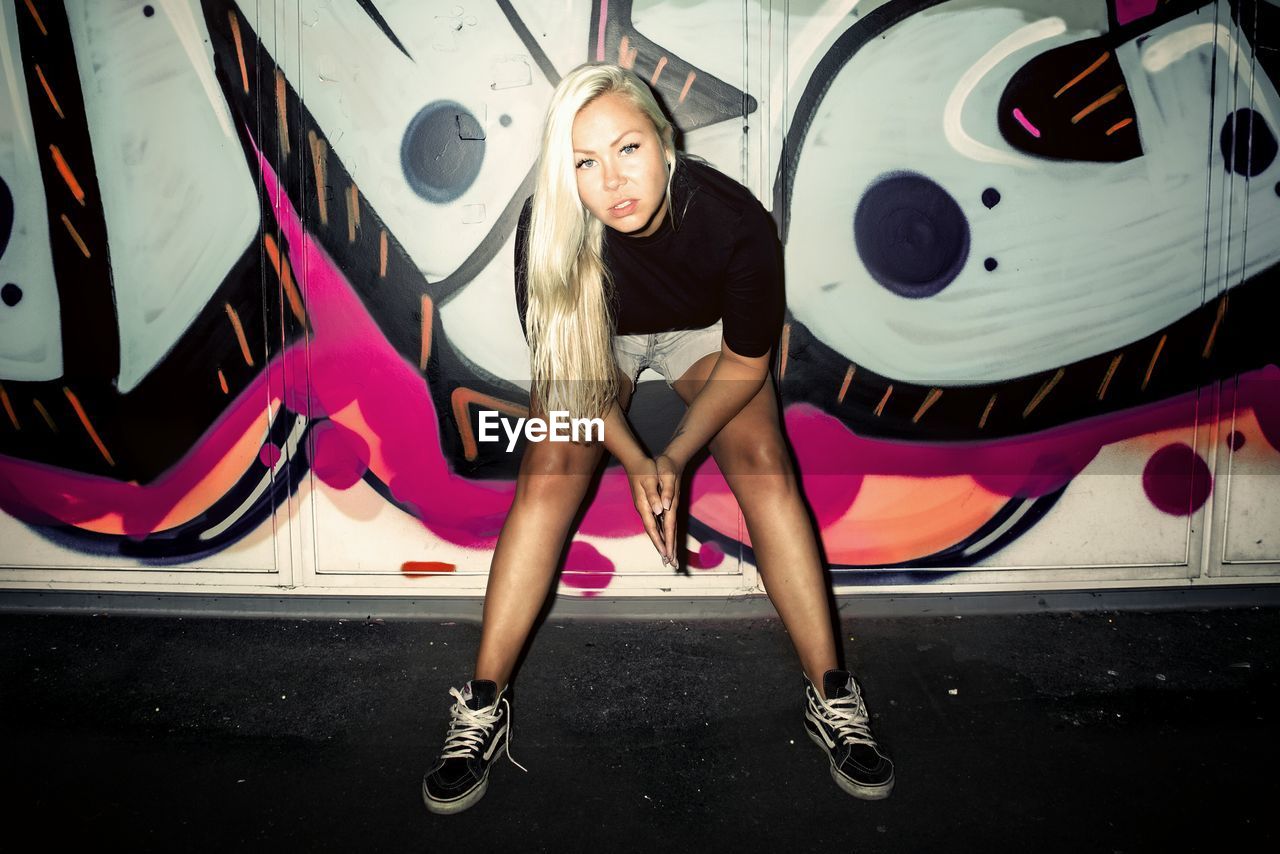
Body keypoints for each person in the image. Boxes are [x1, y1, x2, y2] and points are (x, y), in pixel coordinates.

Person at [422, 63, 893, 814]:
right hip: (596, 346)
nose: (613, 180)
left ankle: (833, 693)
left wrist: (674, 456)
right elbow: (572, 373)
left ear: (664, 141)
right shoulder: (549, 235)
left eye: (628, 148)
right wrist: (639, 460)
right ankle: (481, 703)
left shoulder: (733, 220)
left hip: (704, 339)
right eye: (585, 161)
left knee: (765, 462)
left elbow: (745, 361)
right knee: (549, 468)